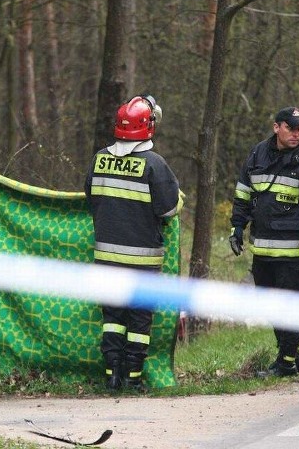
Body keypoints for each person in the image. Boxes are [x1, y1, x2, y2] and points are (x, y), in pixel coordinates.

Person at [84, 94, 183, 391]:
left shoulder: (99, 159)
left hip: (107, 257)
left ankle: (111, 376)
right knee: (139, 320)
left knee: (112, 317)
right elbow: (168, 209)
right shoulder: (154, 164)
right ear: (147, 127)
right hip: (143, 260)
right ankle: (134, 379)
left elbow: (91, 198)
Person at [229, 106, 299, 377]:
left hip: (292, 250)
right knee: (270, 305)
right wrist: (237, 227)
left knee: (290, 305)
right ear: (277, 127)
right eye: (291, 127)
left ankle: (286, 361)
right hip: (261, 249)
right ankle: (291, 354)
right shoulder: (257, 154)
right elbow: (243, 193)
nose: (297, 133)